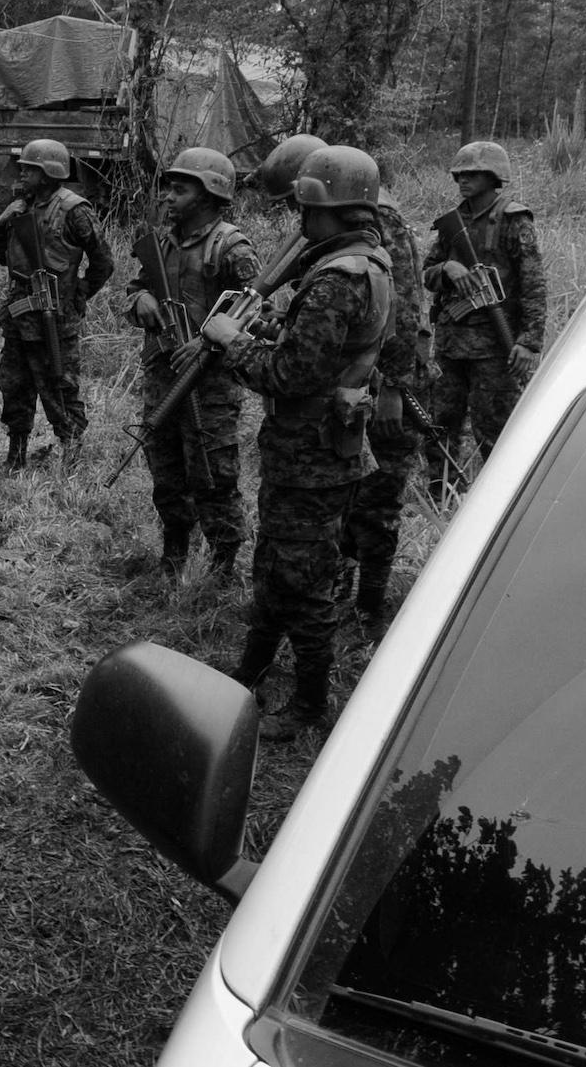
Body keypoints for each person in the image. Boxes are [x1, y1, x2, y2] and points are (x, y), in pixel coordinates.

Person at [198, 145, 392, 741]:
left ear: (334, 211)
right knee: (278, 569)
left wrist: (233, 340)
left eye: (308, 208)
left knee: (304, 583)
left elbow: (289, 376)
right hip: (319, 449)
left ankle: (310, 704)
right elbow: (318, 353)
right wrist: (276, 328)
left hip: (310, 456)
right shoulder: (368, 261)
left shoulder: (338, 278)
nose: (300, 220)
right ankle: (249, 674)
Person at [119, 147, 259, 577]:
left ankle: (222, 563)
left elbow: (258, 310)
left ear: (209, 195)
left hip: (210, 385)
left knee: (214, 474)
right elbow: (134, 289)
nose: (168, 198)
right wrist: (139, 299)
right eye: (169, 189)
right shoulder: (161, 243)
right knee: (165, 470)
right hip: (163, 374)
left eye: (179, 190)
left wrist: (208, 343)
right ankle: (174, 552)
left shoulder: (231, 247)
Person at [337, 157, 434, 645]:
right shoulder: (348, 214)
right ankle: (340, 598)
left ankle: (369, 609)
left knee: (378, 502)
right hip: (360, 380)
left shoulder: (381, 218)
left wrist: (394, 388)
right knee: (350, 497)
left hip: (389, 383)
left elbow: (405, 302)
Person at [423, 139, 547, 480]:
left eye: (474, 174)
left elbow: (533, 285)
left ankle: (497, 497)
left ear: (494, 177)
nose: (464, 180)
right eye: (460, 174)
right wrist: (447, 268)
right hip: (451, 341)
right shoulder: (452, 223)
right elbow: (427, 274)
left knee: (495, 427)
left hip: (494, 345)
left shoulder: (513, 220)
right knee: (441, 421)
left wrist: (528, 341)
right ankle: (442, 488)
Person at [0, 138, 114, 470]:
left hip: (55, 319)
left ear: (48, 173)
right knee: (14, 385)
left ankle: (71, 455)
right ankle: (15, 455)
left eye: (28, 169)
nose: (21, 173)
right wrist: (3, 223)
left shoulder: (75, 210)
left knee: (60, 386)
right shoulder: (21, 206)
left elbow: (103, 261)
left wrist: (79, 295)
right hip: (20, 316)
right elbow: (3, 257)